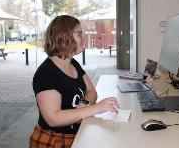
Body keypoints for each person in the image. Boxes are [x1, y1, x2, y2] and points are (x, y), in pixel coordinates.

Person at [29, 15, 119, 148]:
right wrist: (96, 108)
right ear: (63, 36)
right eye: (79, 34)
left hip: (77, 134)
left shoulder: (72, 63)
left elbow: (91, 91)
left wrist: (83, 106)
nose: (84, 39)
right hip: (54, 141)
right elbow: (53, 118)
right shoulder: (46, 74)